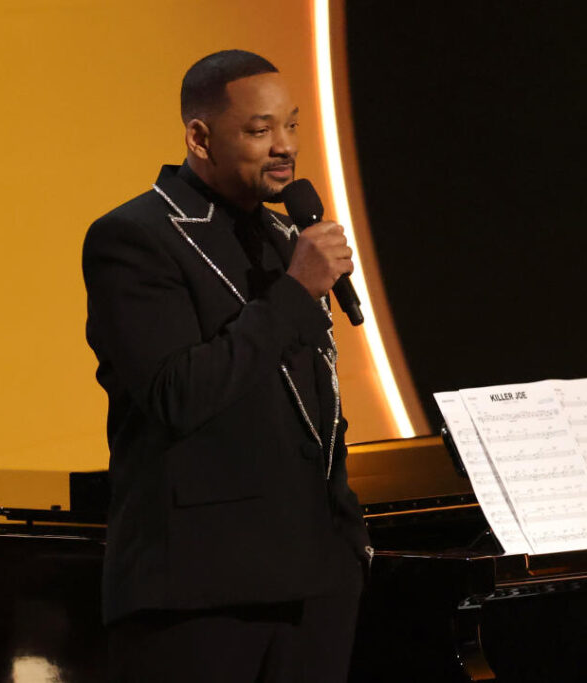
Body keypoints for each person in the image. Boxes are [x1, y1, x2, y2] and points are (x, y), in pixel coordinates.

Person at [82, 49, 371, 682]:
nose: (284, 147)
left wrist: (348, 542)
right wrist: (294, 294)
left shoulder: (280, 237)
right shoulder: (134, 238)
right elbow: (175, 393)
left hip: (314, 586)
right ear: (200, 137)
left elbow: (316, 407)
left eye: (291, 125)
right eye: (259, 130)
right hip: (198, 596)